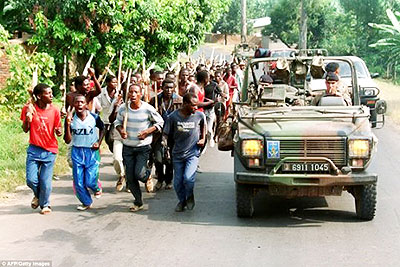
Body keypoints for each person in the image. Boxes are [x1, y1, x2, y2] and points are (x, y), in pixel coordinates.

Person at [115, 84, 164, 212]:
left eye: (136, 92)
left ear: (141, 94)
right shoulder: (123, 109)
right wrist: (121, 131)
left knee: (140, 174)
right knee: (130, 178)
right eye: (130, 92)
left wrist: (147, 131)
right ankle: (138, 202)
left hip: (143, 147)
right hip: (128, 147)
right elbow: (117, 123)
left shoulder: (148, 109)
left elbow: (160, 122)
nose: (133, 95)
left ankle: (147, 176)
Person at [21, 83, 62, 215]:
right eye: (48, 93)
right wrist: (28, 119)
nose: (51, 96)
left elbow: (58, 128)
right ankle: (38, 195)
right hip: (34, 149)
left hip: (50, 150)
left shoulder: (55, 110)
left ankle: (45, 204)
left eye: (51, 93)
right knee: (31, 180)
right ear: (39, 96)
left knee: (45, 181)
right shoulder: (29, 108)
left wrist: (59, 131)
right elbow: (25, 129)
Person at [163, 93, 206, 212]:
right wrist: (165, 145)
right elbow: (165, 134)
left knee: (188, 178)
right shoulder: (173, 117)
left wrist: (203, 138)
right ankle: (182, 201)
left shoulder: (199, 115)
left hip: (192, 153)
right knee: (177, 182)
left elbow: (204, 126)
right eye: (193, 105)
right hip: (177, 154)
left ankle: (190, 195)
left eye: (197, 105)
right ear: (185, 104)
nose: (195, 108)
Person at [64, 94, 105, 211]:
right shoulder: (70, 120)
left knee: (90, 181)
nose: (79, 104)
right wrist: (67, 125)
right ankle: (86, 202)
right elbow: (67, 140)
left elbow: (103, 128)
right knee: (78, 181)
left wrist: (99, 142)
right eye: (77, 102)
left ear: (86, 105)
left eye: (82, 102)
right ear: (74, 105)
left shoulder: (94, 117)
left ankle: (96, 187)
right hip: (77, 151)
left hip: (91, 151)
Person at [150, 79, 182, 191]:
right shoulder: (155, 100)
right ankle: (160, 179)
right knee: (158, 158)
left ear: (174, 88)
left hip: (173, 134)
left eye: (171, 88)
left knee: (170, 159)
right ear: (162, 87)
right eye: (166, 88)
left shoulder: (179, 100)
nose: (168, 90)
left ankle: (169, 180)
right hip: (158, 134)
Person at [98, 75, 118, 152]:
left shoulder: (119, 93)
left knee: (111, 138)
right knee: (107, 139)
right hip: (104, 119)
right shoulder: (101, 92)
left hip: (115, 119)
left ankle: (116, 154)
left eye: (116, 82)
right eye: (113, 82)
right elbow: (98, 106)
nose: (115, 84)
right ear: (107, 83)